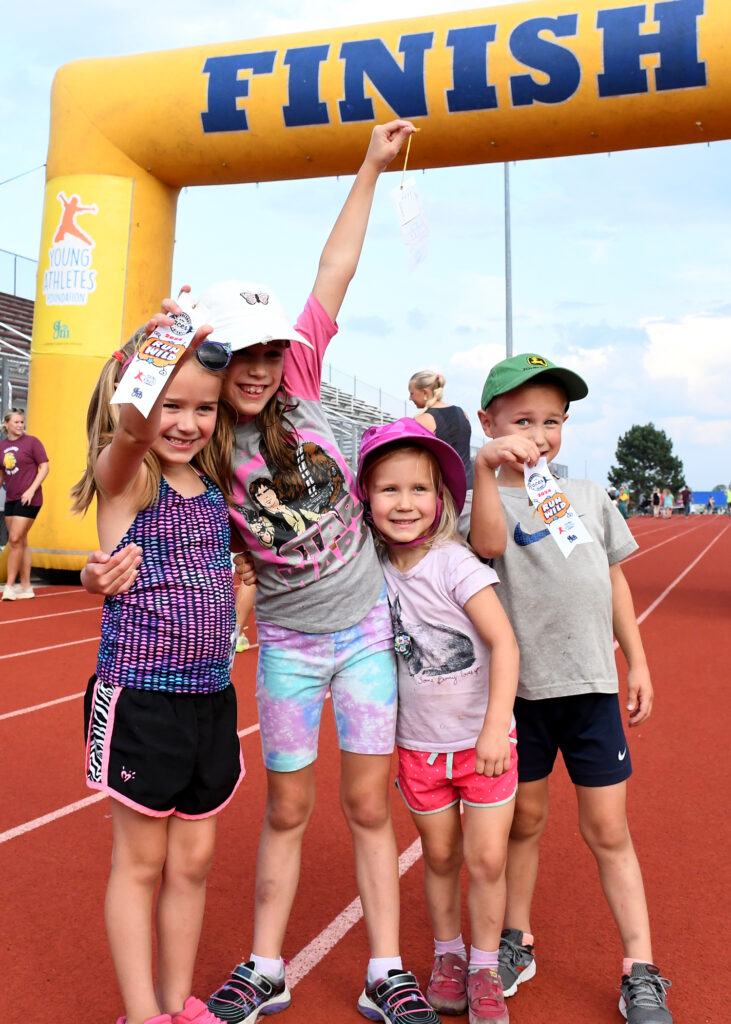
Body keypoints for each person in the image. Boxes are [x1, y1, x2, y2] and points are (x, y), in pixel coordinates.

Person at [83, 121, 440, 1024]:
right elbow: (129, 457)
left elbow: (335, 269)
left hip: (362, 628)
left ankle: (384, 968)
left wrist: (368, 166)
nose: (261, 368)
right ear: (213, 360)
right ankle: (265, 965)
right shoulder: (200, 438)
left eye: (271, 351)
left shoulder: (305, 376)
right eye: (243, 353)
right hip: (281, 637)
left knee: (367, 802)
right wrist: (98, 569)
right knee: (284, 807)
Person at [470, 353, 673, 1024]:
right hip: (519, 696)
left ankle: (640, 966)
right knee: (523, 824)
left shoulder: (587, 496)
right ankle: (514, 940)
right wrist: (489, 468)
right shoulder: (483, 503)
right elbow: (481, 547)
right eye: (522, 419)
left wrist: (635, 664)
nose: (539, 433)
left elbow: (613, 581)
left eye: (552, 421)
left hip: (589, 688)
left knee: (608, 829)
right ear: (488, 422)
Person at [71, 332, 245, 1024]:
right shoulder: (129, 474)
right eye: (171, 403)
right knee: (140, 864)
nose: (187, 422)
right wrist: (164, 343)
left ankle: (180, 1004)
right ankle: (142, 1014)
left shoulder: (209, 484)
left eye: (203, 409)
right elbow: (132, 435)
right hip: (141, 698)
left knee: (194, 863)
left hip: (210, 699)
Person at [355, 418, 519, 1024]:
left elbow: (504, 644)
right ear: (366, 499)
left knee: (487, 862)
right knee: (440, 857)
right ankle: (447, 956)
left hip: (482, 747)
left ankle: (483, 969)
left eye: (419, 489)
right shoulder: (370, 572)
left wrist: (494, 728)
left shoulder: (456, 565)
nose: (404, 503)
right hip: (418, 749)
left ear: (442, 499)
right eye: (389, 490)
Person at [0, 408, 49, 600]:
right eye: (16, 422)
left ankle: (10, 586)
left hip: (29, 498)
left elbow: (44, 467)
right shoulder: (2, 446)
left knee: (14, 539)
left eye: (22, 422)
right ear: (6, 424)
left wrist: (31, 489)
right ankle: (27, 586)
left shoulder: (32, 442)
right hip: (11, 498)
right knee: (21, 541)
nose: (20, 425)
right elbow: (2, 473)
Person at [408, 369, 474, 489]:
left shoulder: (423, 419)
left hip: (446, 491)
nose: (410, 398)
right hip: (469, 486)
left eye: (412, 393)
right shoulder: (462, 413)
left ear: (425, 393)